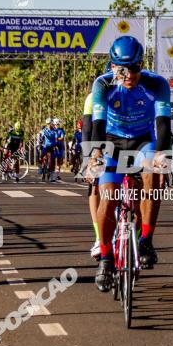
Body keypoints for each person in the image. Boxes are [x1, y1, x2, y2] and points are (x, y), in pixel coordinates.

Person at [89, 36, 171, 291]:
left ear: (141, 65)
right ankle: (104, 257)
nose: (129, 75)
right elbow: (98, 125)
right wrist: (95, 155)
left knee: (153, 174)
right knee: (109, 195)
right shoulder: (102, 84)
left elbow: (163, 125)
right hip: (112, 142)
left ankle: (146, 239)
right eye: (122, 69)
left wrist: (162, 154)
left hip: (142, 141)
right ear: (113, 67)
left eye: (135, 68)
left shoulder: (156, 84)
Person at [80, 93, 101, 259]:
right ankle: (99, 237)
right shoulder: (93, 97)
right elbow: (87, 130)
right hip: (100, 143)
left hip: (129, 142)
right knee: (95, 186)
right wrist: (88, 160)